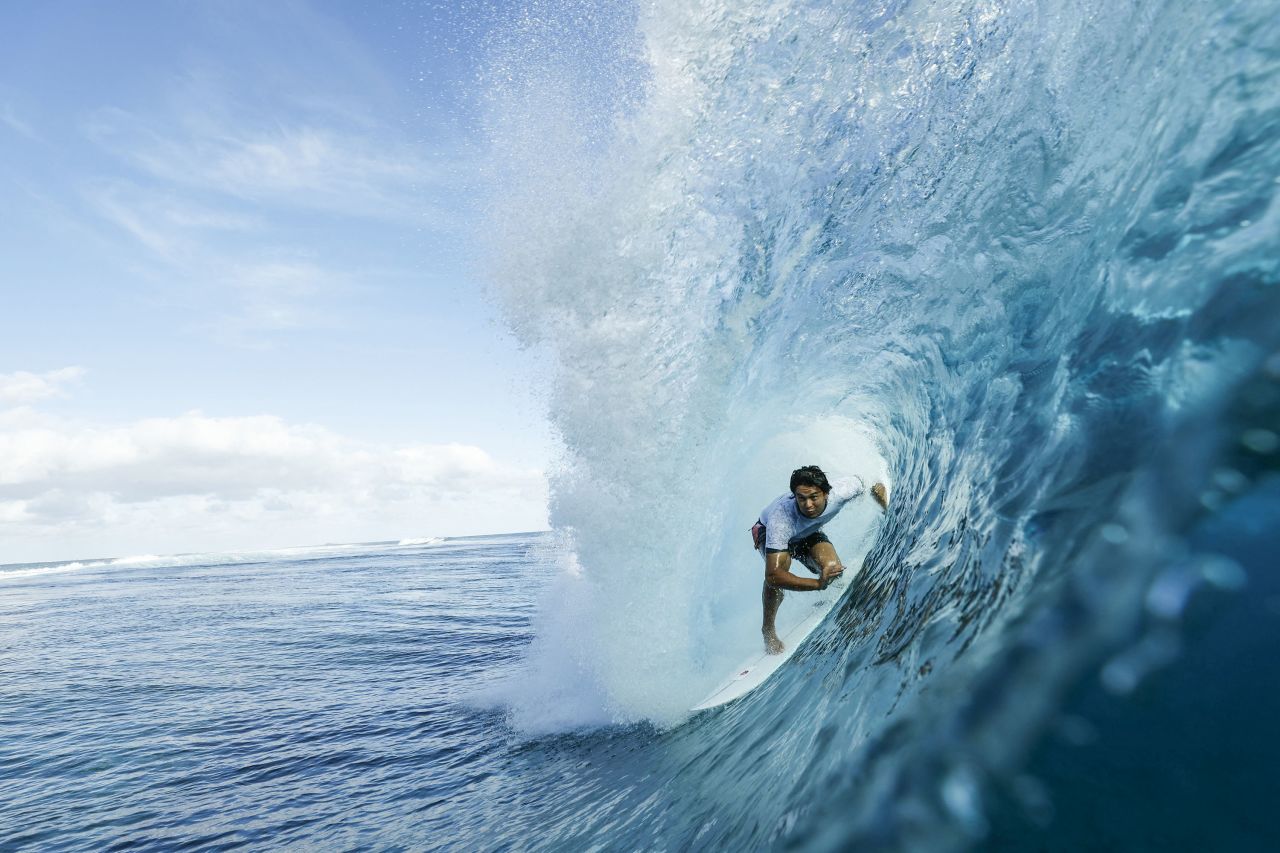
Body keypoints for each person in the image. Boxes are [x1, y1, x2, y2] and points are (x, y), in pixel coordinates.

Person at [751, 465, 889, 654]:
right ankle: (768, 630)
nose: (808, 505)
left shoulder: (841, 491)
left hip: (805, 534)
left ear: (826, 493)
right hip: (768, 533)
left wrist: (884, 505)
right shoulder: (781, 518)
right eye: (801, 498)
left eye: (813, 497)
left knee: (832, 569)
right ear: (794, 497)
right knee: (777, 580)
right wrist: (817, 584)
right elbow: (773, 575)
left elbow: (873, 483)